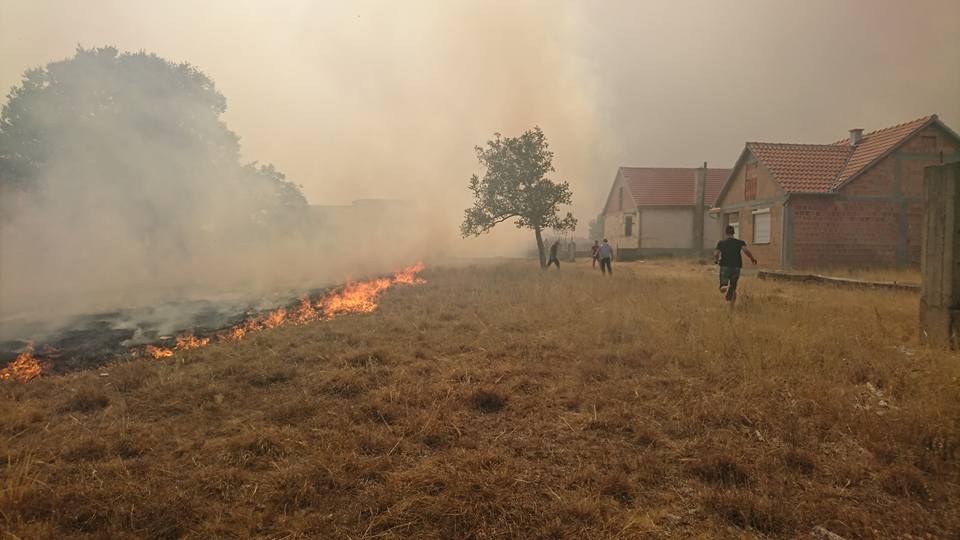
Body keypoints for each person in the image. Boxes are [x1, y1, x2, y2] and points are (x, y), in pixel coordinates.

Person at [714, 225, 757, 306]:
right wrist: (752, 258)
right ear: (734, 233)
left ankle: (727, 288)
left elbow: (716, 254)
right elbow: (746, 251)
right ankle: (731, 309)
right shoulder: (740, 242)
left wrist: (716, 261)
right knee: (733, 288)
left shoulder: (721, 243)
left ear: (726, 233)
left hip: (725, 266)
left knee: (722, 288)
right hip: (736, 267)